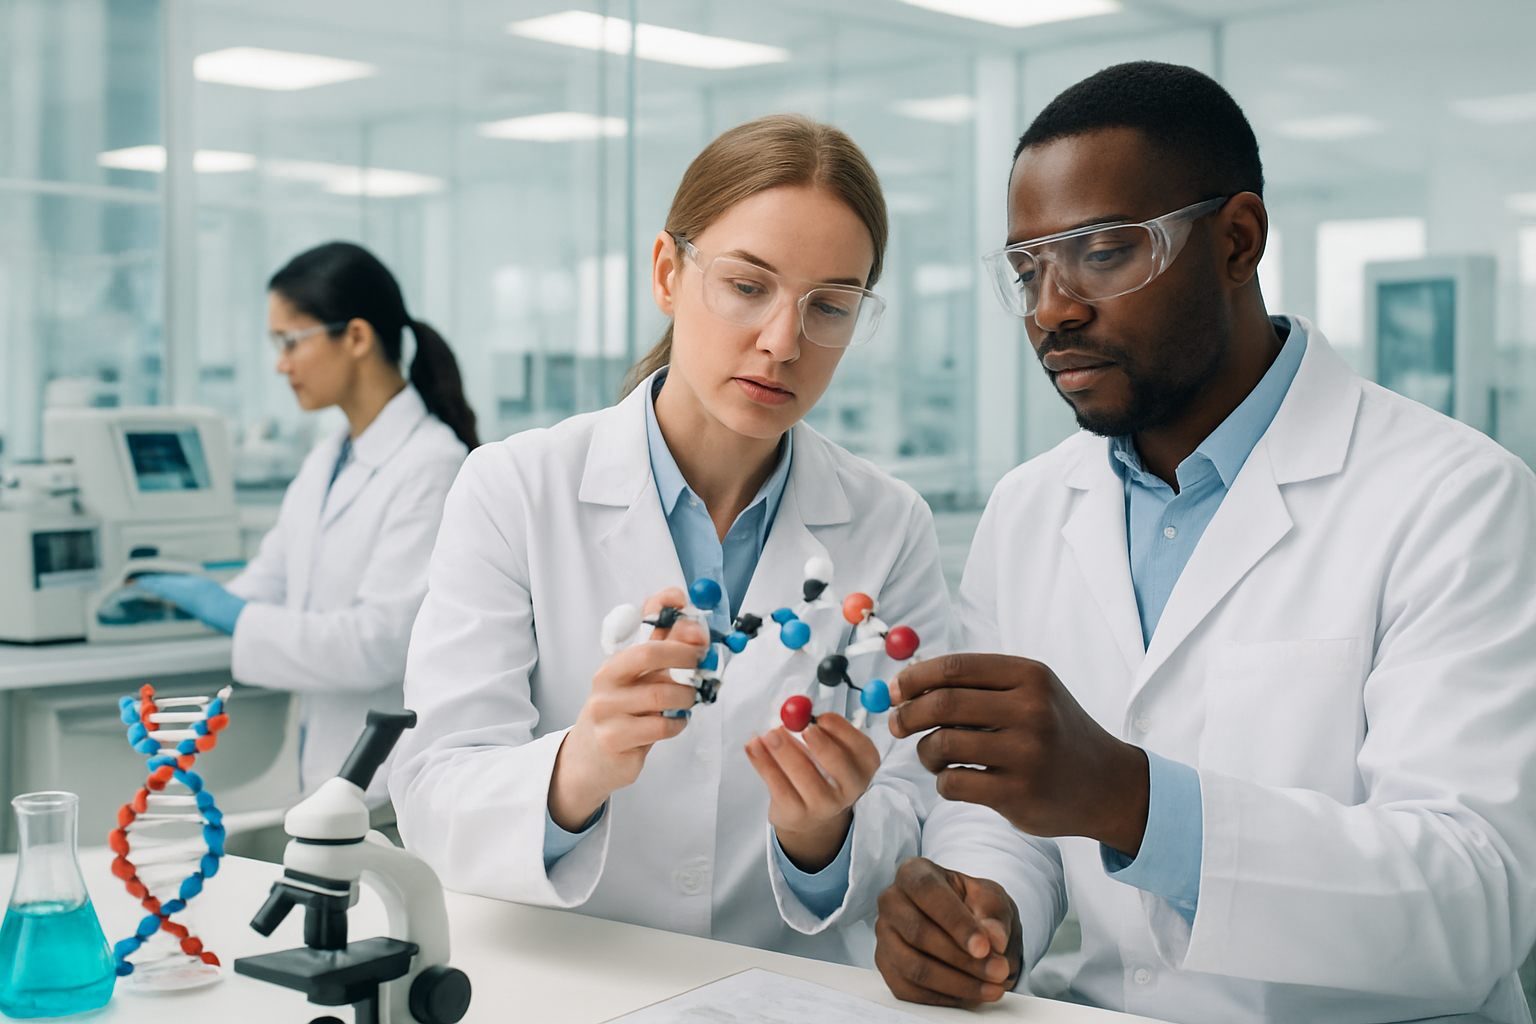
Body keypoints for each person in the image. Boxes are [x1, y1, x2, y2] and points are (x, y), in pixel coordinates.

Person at [872, 62, 1536, 1023]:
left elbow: (1480, 898)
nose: (1053, 308)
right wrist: (985, 913)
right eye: (1027, 269)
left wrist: (1135, 803)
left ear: (1237, 241)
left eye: (1103, 251)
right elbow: (1001, 813)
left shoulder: (1455, 500)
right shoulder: (1028, 511)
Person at [389, 114, 950, 964]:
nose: (782, 341)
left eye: (830, 306)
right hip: (563, 991)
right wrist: (581, 765)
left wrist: (821, 836)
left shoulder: (890, 522)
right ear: (666, 272)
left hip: (777, 995)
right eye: (747, 285)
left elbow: (911, 810)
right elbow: (433, 792)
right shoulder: (515, 488)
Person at [136, 241, 476, 812]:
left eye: (291, 341)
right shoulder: (328, 459)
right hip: (327, 772)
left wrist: (236, 616)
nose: (280, 363)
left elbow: (379, 643)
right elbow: (270, 579)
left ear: (358, 338)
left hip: (390, 786)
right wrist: (179, 604)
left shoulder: (432, 465)